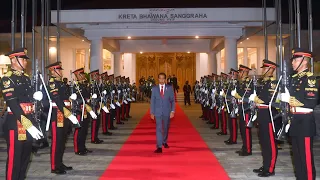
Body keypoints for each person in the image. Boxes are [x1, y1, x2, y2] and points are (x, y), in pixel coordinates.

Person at [0, 48, 43, 180]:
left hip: (28, 118)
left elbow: (28, 100)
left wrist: (36, 99)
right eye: (23, 59)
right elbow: (13, 104)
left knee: (25, 157)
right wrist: (28, 125)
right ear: (14, 60)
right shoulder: (8, 79)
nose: (25, 62)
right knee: (15, 157)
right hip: (15, 121)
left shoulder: (25, 78)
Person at [280, 48, 318, 180]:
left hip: (305, 120)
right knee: (296, 155)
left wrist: (296, 101)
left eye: (295, 60)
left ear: (304, 61)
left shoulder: (310, 78)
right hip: (294, 118)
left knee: (305, 155)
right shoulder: (294, 78)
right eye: (293, 60)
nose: (293, 63)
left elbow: (312, 101)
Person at [46, 61, 79, 174]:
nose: (60, 72)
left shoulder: (61, 83)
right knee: (56, 141)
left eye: (60, 70)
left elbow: (65, 98)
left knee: (63, 140)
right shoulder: (52, 83)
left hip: (65, 113)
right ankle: (54, 166)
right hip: (57, 114)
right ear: (53, 71)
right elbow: (57, 99)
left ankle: (60, 162)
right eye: (58, 70)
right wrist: (67, 113)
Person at [249, 59, 279, 177]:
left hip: (269, 114)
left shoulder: (273, 83)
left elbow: (268, 100)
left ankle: (270, 168)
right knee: (263, 142)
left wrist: (256, 99)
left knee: (270, 143)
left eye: (265, 68)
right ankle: (265, 165)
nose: (263, 70)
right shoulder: (264, 83)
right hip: (261, 113)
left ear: (271, 69)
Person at [150, 72, 175, 153]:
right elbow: (152, 101)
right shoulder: (154, 89)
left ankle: (164, 141)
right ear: (158, 79)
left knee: (166, 128)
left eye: (163, 78)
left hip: (167, 111)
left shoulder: (169, 88)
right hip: (157, 112)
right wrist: (152, 112)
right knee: (159, 128)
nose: (161, 80)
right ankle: (159, 146)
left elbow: (172, 100)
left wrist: (172, 111)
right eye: (160, 78)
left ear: (165, 79)